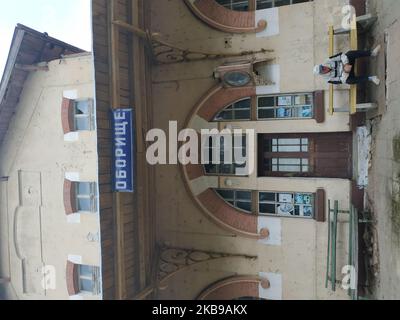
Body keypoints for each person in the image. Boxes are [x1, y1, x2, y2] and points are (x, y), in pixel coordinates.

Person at [314, 45, 381, 85]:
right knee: (349, 81)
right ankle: (371, 78)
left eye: (322, 67)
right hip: (347, 74)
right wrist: (345, 72)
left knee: (349, 53)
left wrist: (346, 63)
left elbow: (341, 55)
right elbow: (341, 81)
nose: (324, 68)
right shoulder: (328, 79)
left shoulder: (327, 61)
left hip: (347, 63)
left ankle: (372, 53)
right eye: (323, 70)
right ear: (322, 73)